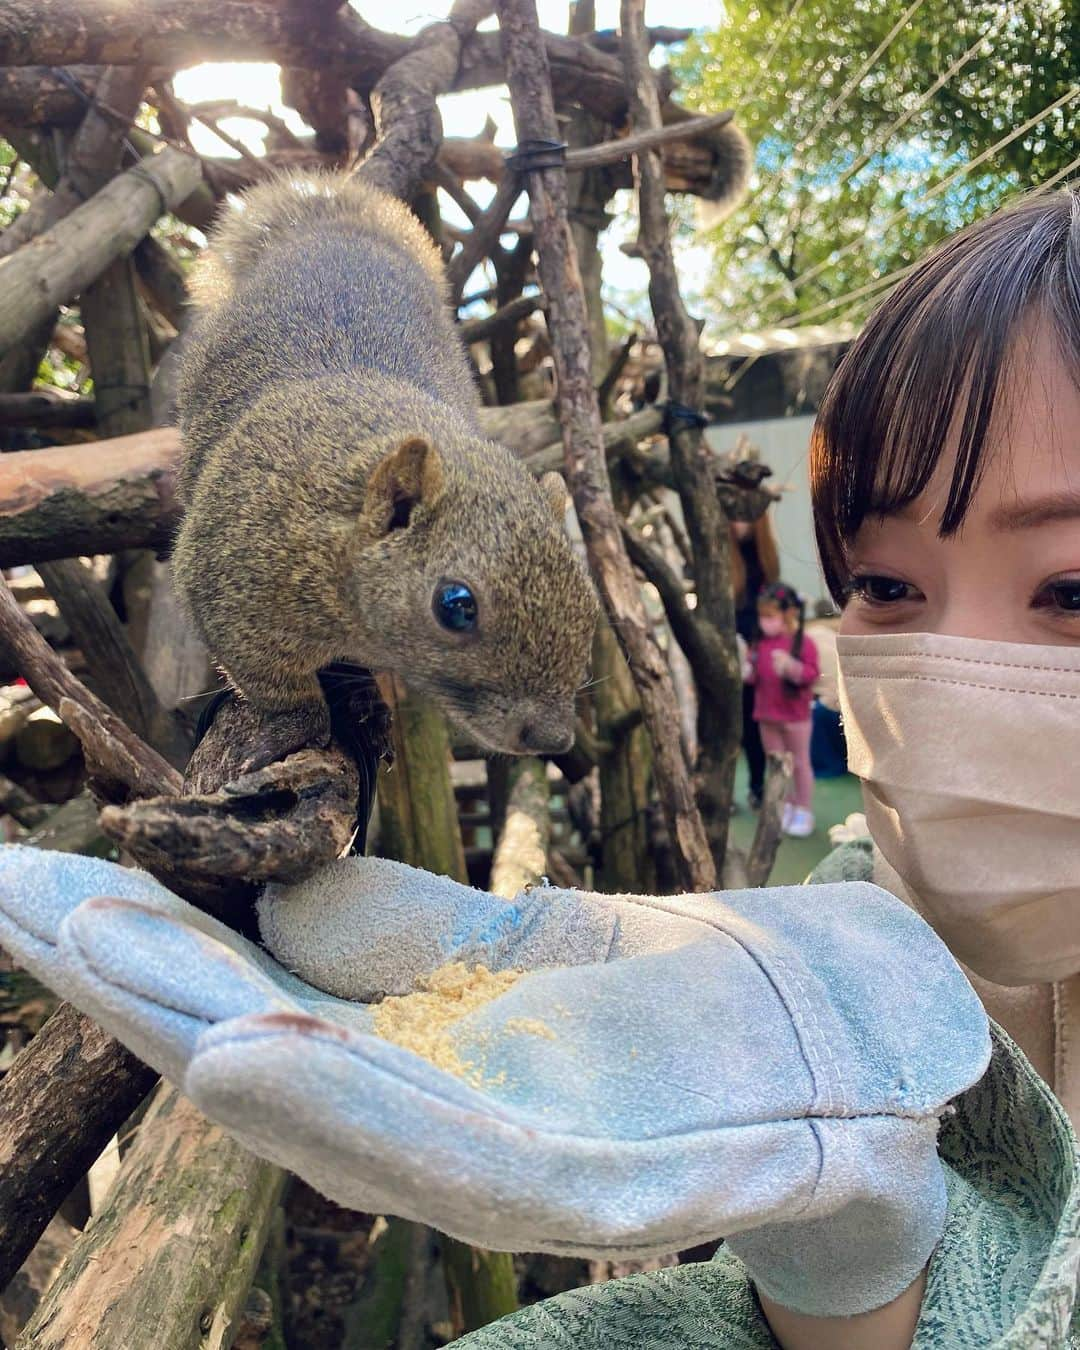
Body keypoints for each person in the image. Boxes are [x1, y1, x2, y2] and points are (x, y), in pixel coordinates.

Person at [745, 581, 820, 836]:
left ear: (788, 615)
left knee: (799, 763)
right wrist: (745, 669)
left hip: (796, 717)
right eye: (762, 616)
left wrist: (792, 668)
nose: (764, 621)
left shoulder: (803, 643)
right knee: (776, 765)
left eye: (770, 616)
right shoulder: (760, 644)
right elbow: (753, 676)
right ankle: (784, 805)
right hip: (767, 716)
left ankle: (803, 809)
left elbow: (811, 674)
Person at [731, 515, 780, 807]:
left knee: (755, 724)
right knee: (731, 724)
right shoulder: (724, 556)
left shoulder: (765, 556)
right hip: (730, 648)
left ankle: (758, 786)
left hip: (756, 651)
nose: (739, 522)